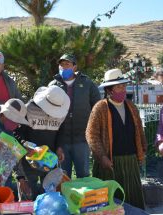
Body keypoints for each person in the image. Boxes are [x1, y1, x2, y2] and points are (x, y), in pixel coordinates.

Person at [85, 68, 147, 209]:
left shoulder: (131, 106)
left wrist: (142, 151)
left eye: (124, 86)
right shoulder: (100, 108)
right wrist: (102, 157)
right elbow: (91, 134)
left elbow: (139, 130)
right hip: (110, 163)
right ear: (109, 90)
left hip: (130, 160)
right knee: (111, 201)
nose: (123, 90)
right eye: (119, 87)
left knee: (132, 199)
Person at [48, 53, 100, 178]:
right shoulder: (53, 86)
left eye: (67, 64)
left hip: (81, 139)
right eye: (61, 65)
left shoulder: (87, 84)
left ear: (75, 67)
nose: (64, 67)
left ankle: (83, 198)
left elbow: (97, 107)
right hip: (61, 141)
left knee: (84, 175)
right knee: (62, 177)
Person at [15, 85, 70, 200]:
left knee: (49, 199)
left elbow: (62, 131)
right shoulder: (28, 109)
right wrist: (25, 144)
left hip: (50, 160)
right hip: (29, 161)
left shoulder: (62, 111)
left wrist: (60, 147)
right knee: (28, 199)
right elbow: (17, 132)